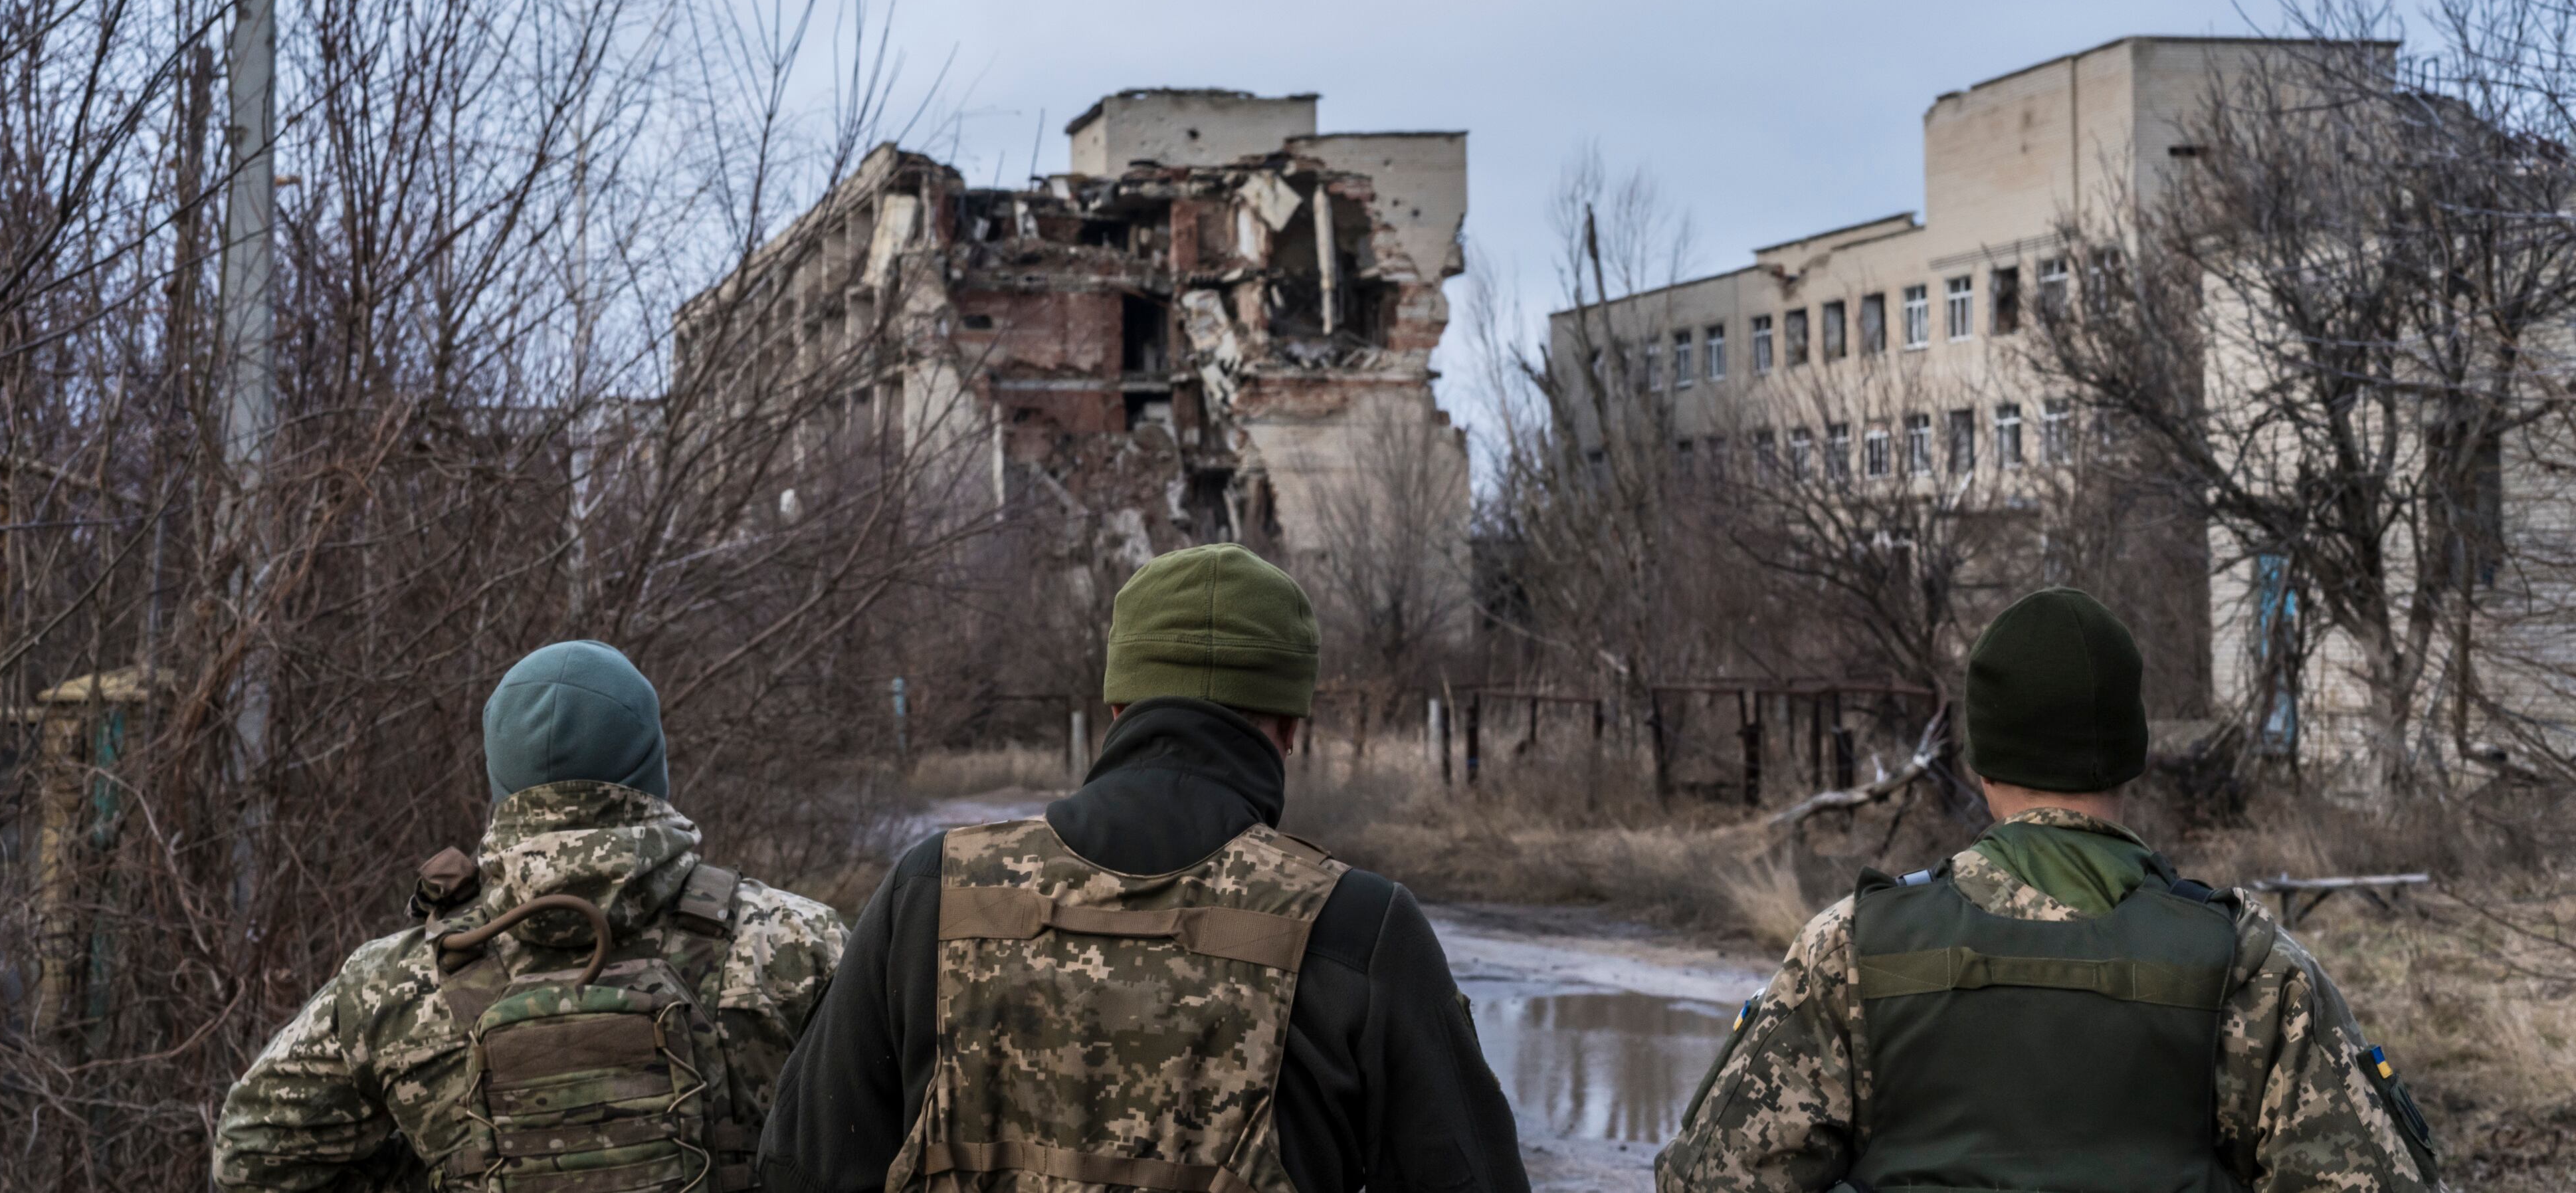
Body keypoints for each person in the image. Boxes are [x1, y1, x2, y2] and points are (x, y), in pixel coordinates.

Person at [761, 542, 1528, 1193]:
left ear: (1117, 708)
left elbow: (803, 1165)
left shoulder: (931, 891)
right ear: (1290, 728)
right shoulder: (1359, 927)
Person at [1656, 587, 2441, 1193]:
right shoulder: (2253, 969)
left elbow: (1709, 1179)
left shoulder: (1850, 953)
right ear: (2130, 755)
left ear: (1980, 759)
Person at [215, 640, 848, 1193]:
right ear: (651, 761)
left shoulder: (390, 986)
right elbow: (898, 1138)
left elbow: (249, 1159)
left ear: (501, 776)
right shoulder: (792, 943)